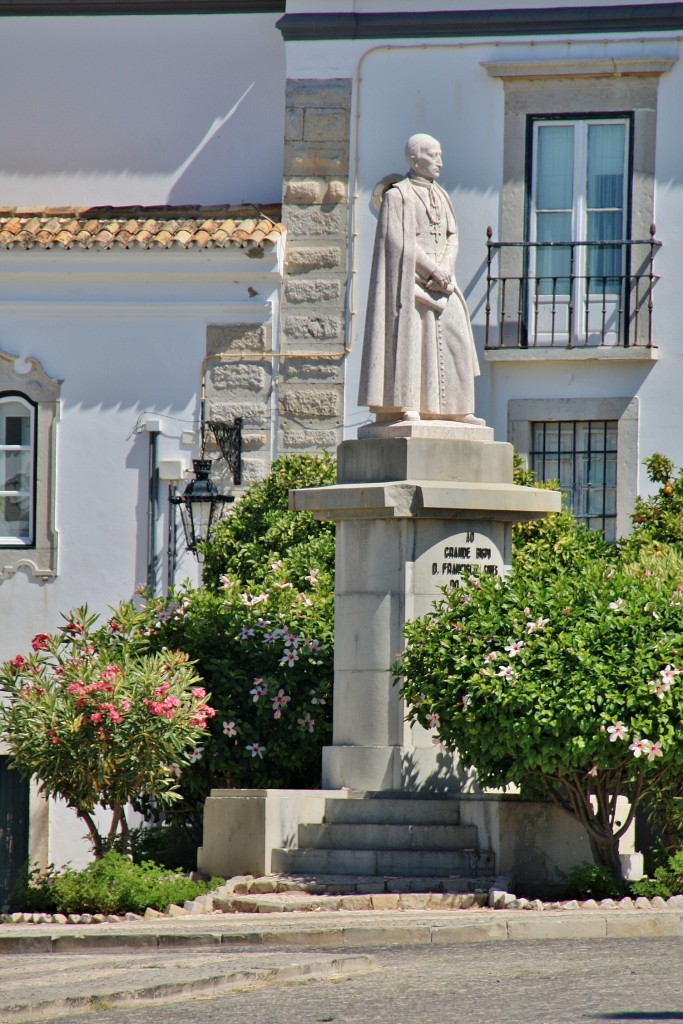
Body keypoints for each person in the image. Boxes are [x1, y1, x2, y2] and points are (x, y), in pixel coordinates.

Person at [358, 133, 482, 424]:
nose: (440, 161)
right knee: (410, 342)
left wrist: (447, 270)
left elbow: (453, 236)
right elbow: (397, 241)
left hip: (442, 283)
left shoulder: (442, 194)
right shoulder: (397, 195)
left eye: (440, 155)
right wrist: (432, 271)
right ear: (414, 159)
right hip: (410, 283)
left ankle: (458, 408)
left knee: (458, 337)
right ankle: (407, 404)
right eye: (433, 155)